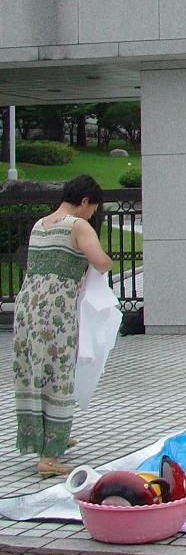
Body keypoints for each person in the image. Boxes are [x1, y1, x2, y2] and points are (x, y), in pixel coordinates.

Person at [12, 175, 113, 478]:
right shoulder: (77, 226)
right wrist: (107, 262)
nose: (92, 214)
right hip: (55, 314)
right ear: (85, 201)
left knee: (33, 374)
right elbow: (100, 261)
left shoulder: (40, 225)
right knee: (57, 375)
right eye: (93, 208)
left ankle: (44, 438)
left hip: (27, 309)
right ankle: (49, 457)